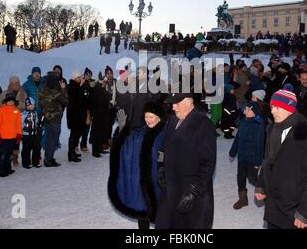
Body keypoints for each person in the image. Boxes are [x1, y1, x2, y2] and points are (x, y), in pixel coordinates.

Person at [255, 89, 307, 229]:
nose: (273, 112)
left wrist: (306, 212)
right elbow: (268, 161)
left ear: (290, 109)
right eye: (272, 107)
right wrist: (261, 185)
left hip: (295, 211)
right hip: (273, 206)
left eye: (277, 108)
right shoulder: (272, 130)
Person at [155, 93, 217, 229]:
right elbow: (163, 148)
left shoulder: (203, 124)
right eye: (172, 103)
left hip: (190, 192)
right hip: (171, 188)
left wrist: (194, 190)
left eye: (177, 103)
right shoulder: (172, 121)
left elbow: (208, 162)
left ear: (189, 102)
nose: (173, 107)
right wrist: (161, 167)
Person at [108, 102, 167, 229]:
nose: (148, 120)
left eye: (151, 117)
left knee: (163, 214)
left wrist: (164, 158)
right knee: (142, 209)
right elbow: (128, 146)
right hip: (142, 182)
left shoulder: (166, 133)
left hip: (159, 180)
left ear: (159, 117)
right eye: (146, 117)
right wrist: (122, 130)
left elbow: (176, 151)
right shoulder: (141, 132)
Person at [229, 102, 265, 210]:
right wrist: (233, 152)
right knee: (240, 177)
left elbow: (259, 144)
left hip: (252, 158)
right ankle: (243, 199)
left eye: (248, 109)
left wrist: (257, 162)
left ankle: (265, 191)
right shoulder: (243, 121)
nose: (245, 110)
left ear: (254, 112)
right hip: (242, 156)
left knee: (252, 178)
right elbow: (237, 138)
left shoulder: (258, 124)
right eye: (245, 109)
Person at [0, 76, 28, 167]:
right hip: (6, 121)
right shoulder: (4, 93)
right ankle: (6, 159)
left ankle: (15, 157)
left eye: (18, 82)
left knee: (16, 140)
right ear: (10, 84)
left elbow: (26, 104)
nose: (16, 84)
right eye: (14, 83)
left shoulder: (23, 92)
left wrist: (18, 104)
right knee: (7, 142)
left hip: (19, 118)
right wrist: (6, 103)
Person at [38, 73, 68, 167]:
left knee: (49, 138)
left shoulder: (42, 92)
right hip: (55, 118)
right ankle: (48, 160)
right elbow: (66, 101)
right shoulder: (56, 93)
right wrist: (63, 88)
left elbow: (41, 103)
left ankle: (48, 157)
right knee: (53, 139)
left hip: (46, 117)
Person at [0, 93, 22, 177]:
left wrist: (19, 134)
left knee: (9, 154)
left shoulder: (16, 111)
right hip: (3, 137)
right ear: (6, 101)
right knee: (2, 154)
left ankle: (7, 168)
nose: (11, 102)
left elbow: (18, 124)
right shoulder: (1, 110)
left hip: (12, 137)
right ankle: (0, 170)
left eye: (12, 101)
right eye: (9, 101)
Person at [66, 71, 86, 163]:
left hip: (77, 115)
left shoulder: (76, 86)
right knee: (74, 135)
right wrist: (81, 87)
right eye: (77, 77)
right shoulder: (72, 87)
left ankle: (73, 151)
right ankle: (71, 154)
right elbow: (79, 100)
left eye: (79, 77)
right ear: (74, 78)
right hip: (74, 115)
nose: (79, 79)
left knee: (77, 134)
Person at [21, 97, 42, 169]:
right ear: (26, 106)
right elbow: (20, 122)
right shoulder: (24, 114)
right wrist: (23, 128)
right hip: (26, 134)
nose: (31, 107)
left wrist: (39, 124)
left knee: (36, 148)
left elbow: (36, 122)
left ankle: (35, 162)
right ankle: (26, 163)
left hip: (35, 134)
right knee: (26, 149)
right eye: (29, 105)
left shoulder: (35, 113)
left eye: (32, 105)